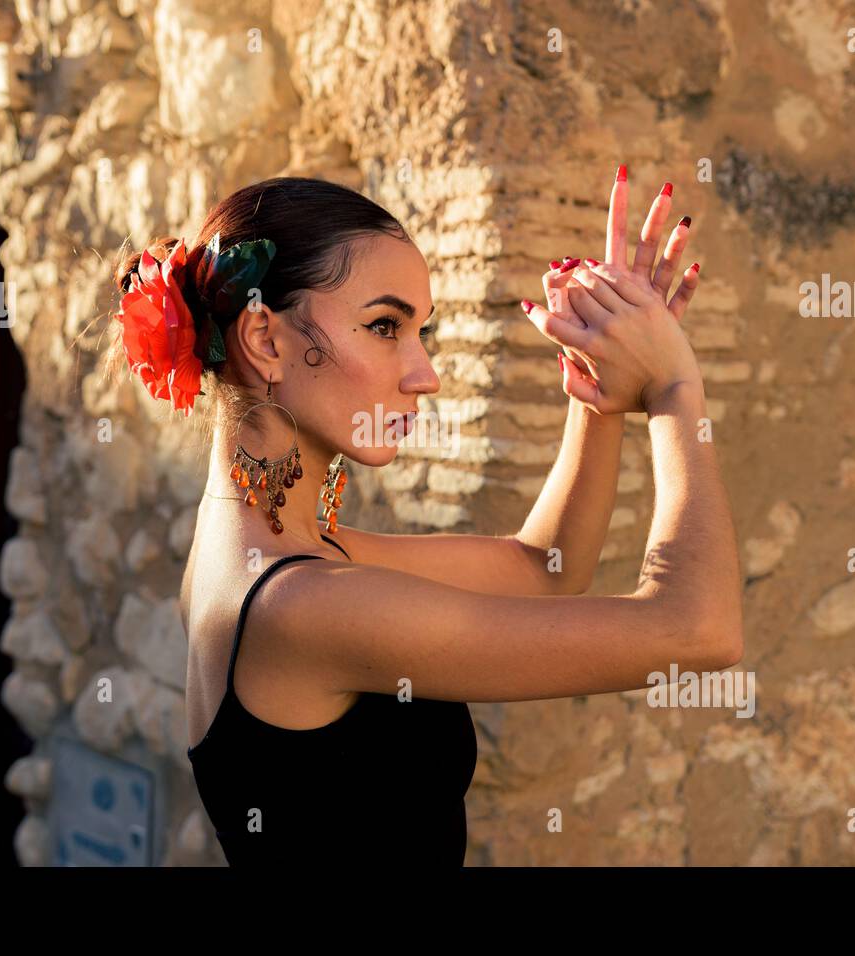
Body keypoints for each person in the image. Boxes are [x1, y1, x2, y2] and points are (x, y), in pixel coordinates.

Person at [105, 172, 742, 866]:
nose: (425, 374)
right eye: (385, 326)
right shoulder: (300, 605)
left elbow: (546, 568)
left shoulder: (271, 560)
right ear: (264, 337)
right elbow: (697, 630)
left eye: (421, 331)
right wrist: (676, 387)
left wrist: (597, 392)